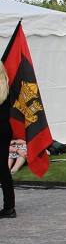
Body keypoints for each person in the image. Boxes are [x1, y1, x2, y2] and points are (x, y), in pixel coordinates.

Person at [0, 65, 16, 218]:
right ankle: (9, 205)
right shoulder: (6, 88)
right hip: (5, 127)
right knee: (3, 168)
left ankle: (9, 206)